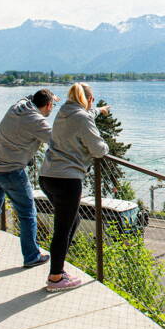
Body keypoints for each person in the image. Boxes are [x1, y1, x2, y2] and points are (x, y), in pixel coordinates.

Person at [39, 83, 110, 292]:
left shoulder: (64, 111)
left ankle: (59, 267)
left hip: (47, 176)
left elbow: (88, 114)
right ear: (87, 99)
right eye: (93, 100)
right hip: (67, 180)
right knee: (62, 229)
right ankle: (55, 278)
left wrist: (101, 111)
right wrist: (104, 145)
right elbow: (98, 150)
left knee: (73, 220)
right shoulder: (82, 117)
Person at [0, 89, 59, 267]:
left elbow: (31, 97)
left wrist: (50, 97)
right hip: (11, 170)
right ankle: (31, 256)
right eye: (52, 105)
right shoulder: (37, 122)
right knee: (28, 213)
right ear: (48, 106)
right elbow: (59, 140)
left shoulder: (20, 106)